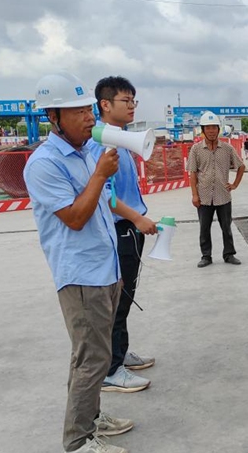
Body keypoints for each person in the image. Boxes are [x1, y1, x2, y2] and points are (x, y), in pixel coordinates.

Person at [24, 72, 157, 453]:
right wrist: (100, 175)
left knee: (92, 354)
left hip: (104, 268)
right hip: (80, 275)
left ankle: (92, 419)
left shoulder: (85, 151)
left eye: (87, 109)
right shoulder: (43, 164)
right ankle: (78, 444)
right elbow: (77, 217)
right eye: (77, 111)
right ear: (53, 116)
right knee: (92, 360)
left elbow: (105, 204)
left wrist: (101, 175)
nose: (87, 117)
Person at [89, 76, 154, 394]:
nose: (131, 106)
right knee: (118, 297)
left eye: (133, 101)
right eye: (125, 101)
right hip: (120, 229)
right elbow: (105, 195)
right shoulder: (101, 144)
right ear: (105, 104)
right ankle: (112, 369)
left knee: (125, 297)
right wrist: (138, 219)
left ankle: (119, 353)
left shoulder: (121, 140)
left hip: (129, 227)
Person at [188, 111, 245, 268]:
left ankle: (229, 254)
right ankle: (206, 256)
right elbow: (192, 173)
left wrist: (234, 184)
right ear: (203, 130)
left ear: (218, 130)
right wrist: (194, 195)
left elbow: (241, 166)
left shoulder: (227, 148)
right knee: (204, 228)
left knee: (226, 226)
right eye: (208, 128)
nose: (211, 131)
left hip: (223, 196)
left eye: (214, 127)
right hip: (204, 196)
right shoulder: (196, 149)